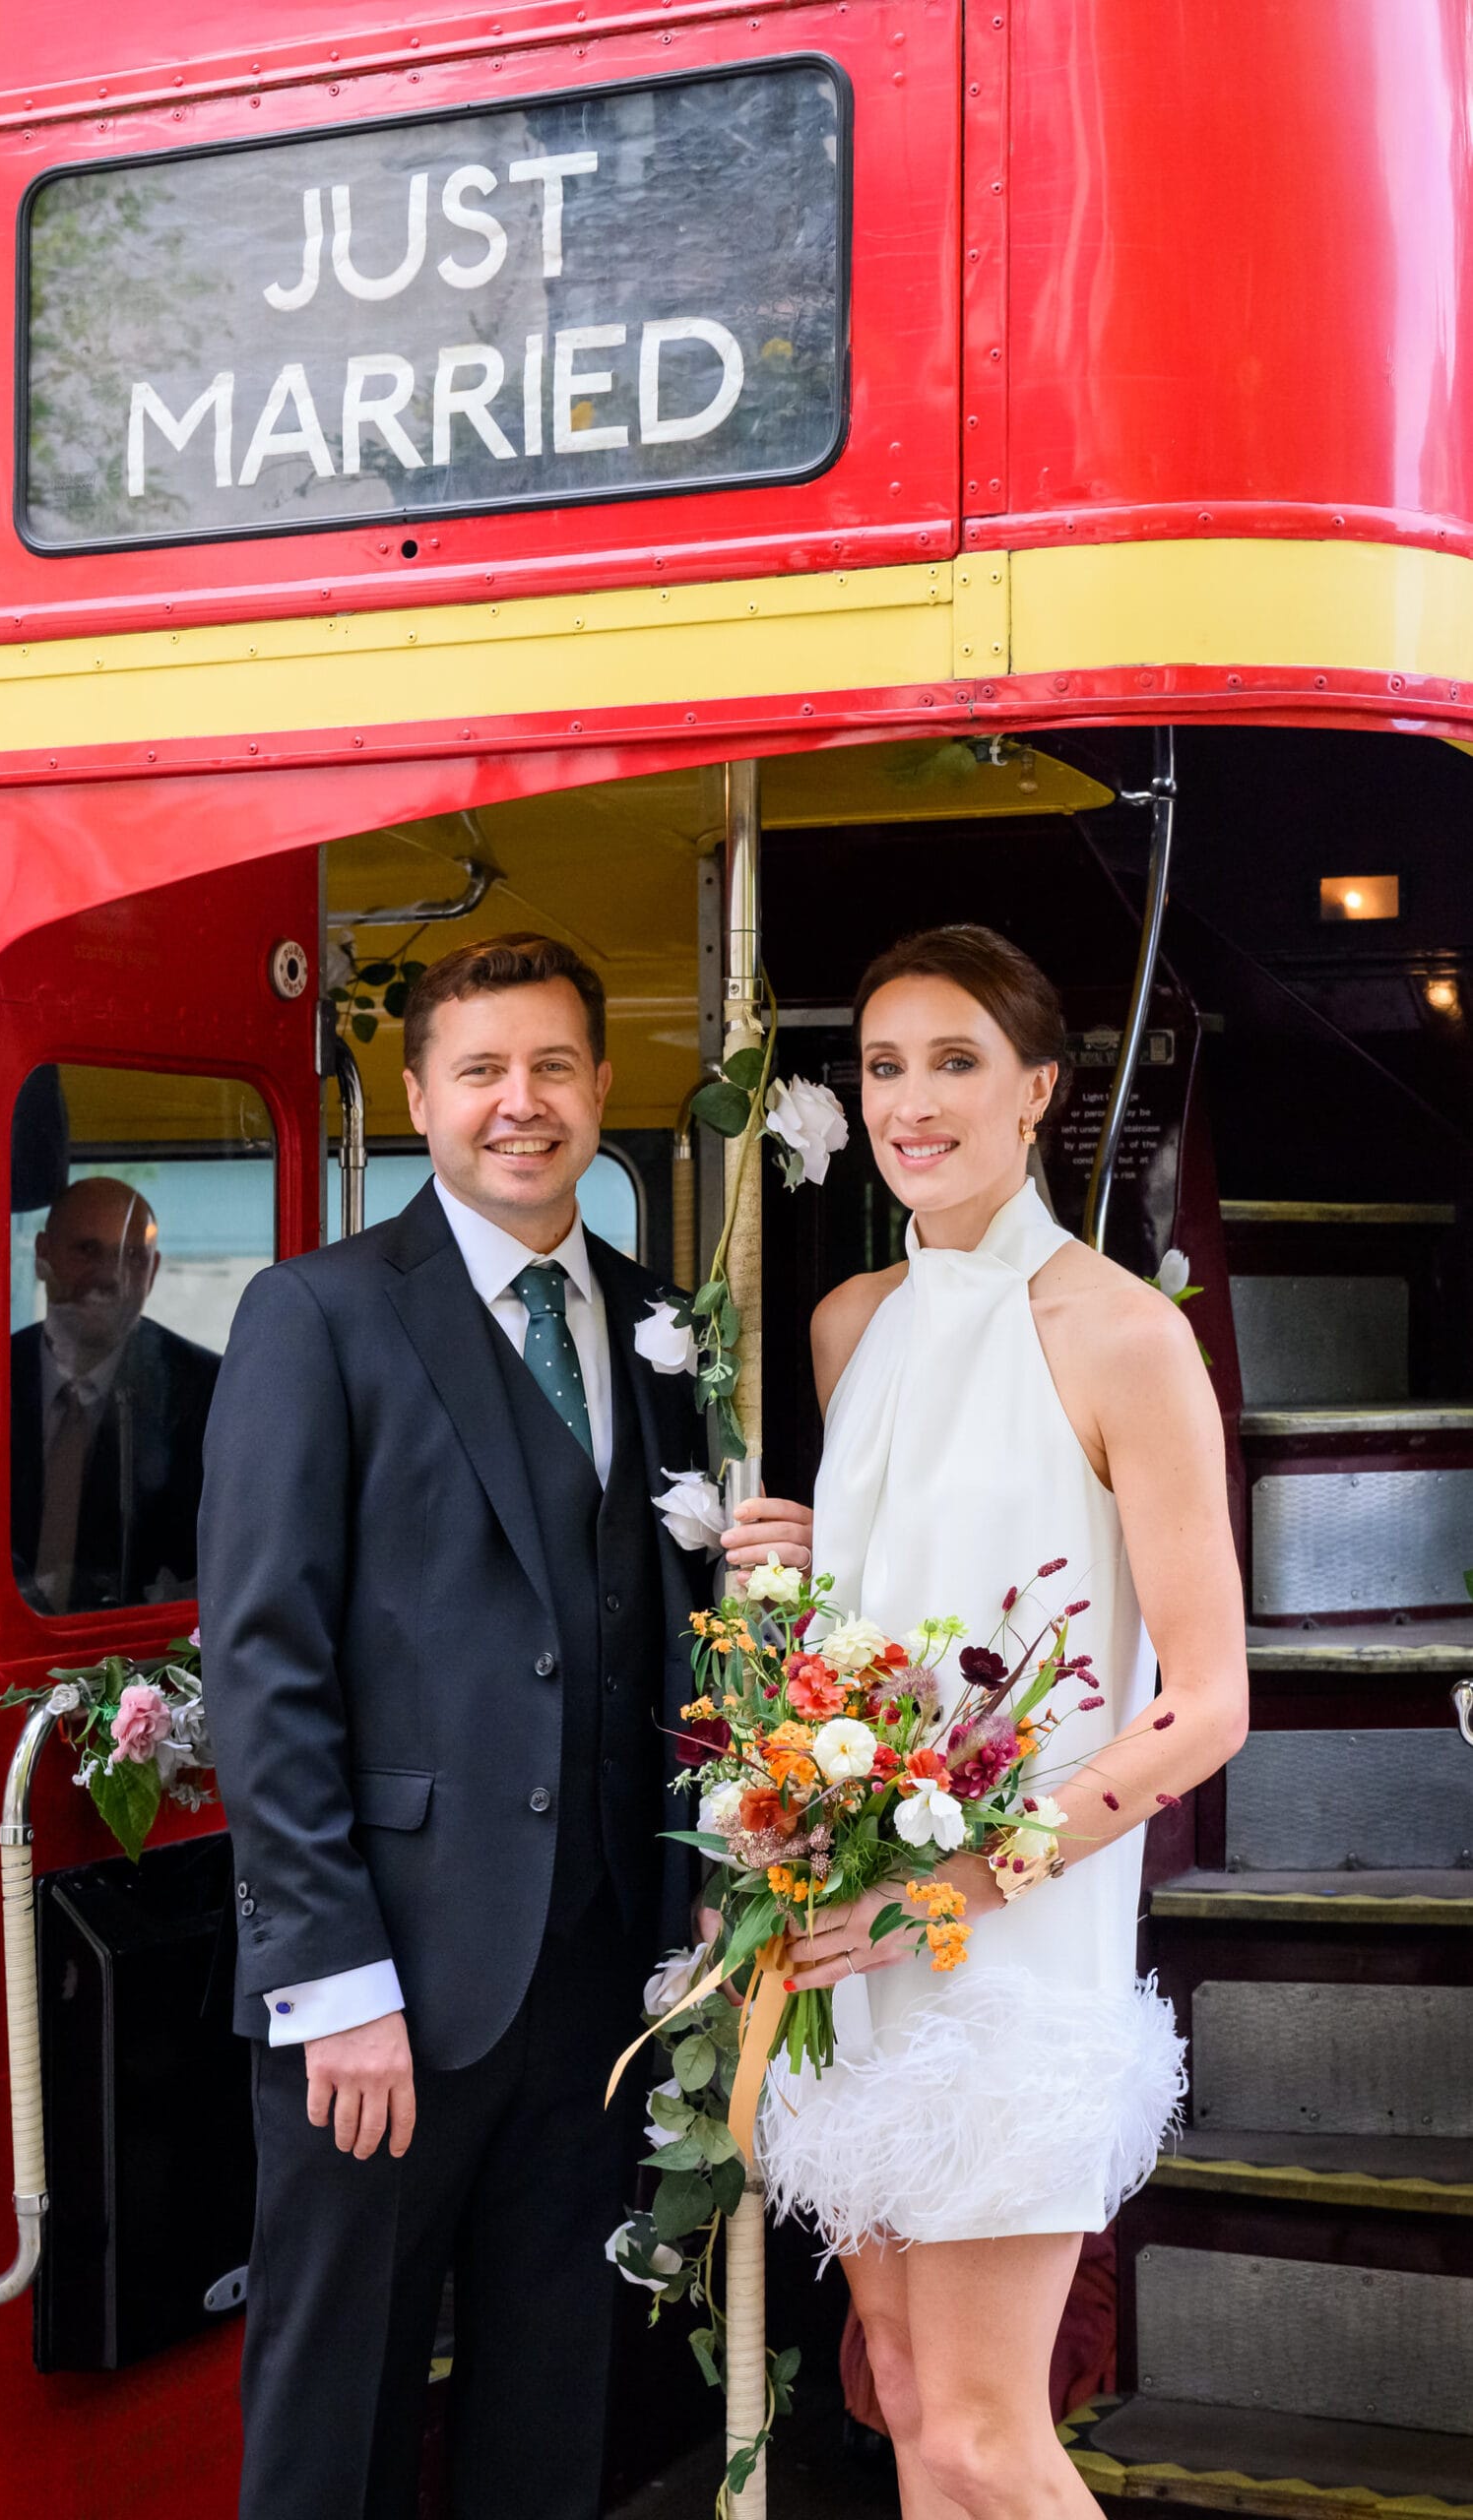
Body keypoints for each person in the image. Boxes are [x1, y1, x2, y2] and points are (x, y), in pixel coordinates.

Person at [196, 933, 812, 2520]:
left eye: (551, 1067)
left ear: (604, 1087)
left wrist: (771, 1583)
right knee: (336, 2406)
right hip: (381, 1985)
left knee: (549, 2406)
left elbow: (669, 1633)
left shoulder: (673, 1328)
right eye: (480, 1072)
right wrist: (327, 1981)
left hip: (604, 1984)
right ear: (417, 1099)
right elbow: (262, 1662)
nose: (518, 1105)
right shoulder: (313, 1314)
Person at [757, 924, 1249, 2520]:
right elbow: (914, 1611)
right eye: (882, 1065)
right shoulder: (848, 1325)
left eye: (954, 1061)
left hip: (1004, 1941)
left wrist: (962, 1886)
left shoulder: (1122, 1333)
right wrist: (798, 1568)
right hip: (855, 1930)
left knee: (983, 2432)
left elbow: (1206, 1703)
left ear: (1037, 1090)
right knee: (903, 2399)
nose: (911, 1101)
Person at [11, 1174, 220, 1614]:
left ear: (155, 1270)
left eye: (131, 1256)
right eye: (88, 1250)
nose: (110, 1276)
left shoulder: (207, 1392)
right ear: (42, 1255)